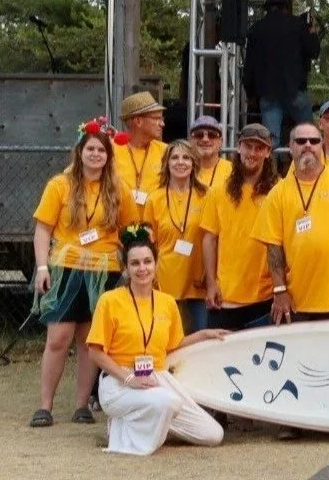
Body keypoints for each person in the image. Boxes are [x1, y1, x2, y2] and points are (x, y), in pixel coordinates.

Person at [29, 121, 137, 428]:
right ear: (80, 151)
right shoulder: (59, 185)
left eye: (101, 150)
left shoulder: (119, 189)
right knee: (58, 338)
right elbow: (43, 229)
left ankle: (81, 406)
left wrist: (131, 267)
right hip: (66, 268)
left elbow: (130, 231)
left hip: (104, 271)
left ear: (109, 154)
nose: (95, 155)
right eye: (90, 148)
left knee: (91, 341)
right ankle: (45, 406)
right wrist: (41, 267)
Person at [87, 226, 228, 455]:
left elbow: (172, 345)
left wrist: (203, 335)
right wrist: (129, 378)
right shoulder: (110, 301)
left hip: (157, 377)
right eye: (135, 263)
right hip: (119, 380)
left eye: (147, 261)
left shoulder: (167, 302)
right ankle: (125, 426)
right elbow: (95, 352)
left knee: (213, 435)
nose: (142, 269)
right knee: (167, 402)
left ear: (155, 264)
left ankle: (138, 423)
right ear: (126, 268)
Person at [254, 122, 329, 327]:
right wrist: (279, 290)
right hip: (298, 303)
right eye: (301, 141)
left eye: (314, 141)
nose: (308, 145)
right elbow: (273, 247)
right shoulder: (278, 193)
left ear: (322, 145)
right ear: (290, 147)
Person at [201, 124, 278, 331]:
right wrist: (210, 284)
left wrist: (281, 289)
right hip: (226, 296)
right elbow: (209, 239)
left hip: (265, 295)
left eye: (259, 148)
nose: (252, 153)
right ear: (238, 147)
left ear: (268, 152)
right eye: (248, 146)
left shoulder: (279, 191)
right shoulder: (218, 192)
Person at [144, 140, 211, 333]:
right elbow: (150, 244)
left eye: (186, 157)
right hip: (164, 281)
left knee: (199, 340)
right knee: (166, 339)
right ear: (166, 163)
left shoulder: (207, 196)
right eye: (174, 157)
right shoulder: (154, 199)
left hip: (198, 282)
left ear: (194, 163)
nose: (180, 162)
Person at [244, 0, 320, 144]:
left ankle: (272, 167)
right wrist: (312, 31)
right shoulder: (298, 25)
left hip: (268, 93)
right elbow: (314, 51)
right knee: (308, 137)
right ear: (286, 7)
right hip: (295, 90)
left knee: (271, 142)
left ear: (267, 8)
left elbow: (249, 65)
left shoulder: (256, 29)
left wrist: (251, 94)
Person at [115, 92, 168, 220]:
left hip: (154, 230)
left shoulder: (167, 151)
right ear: (138, 121)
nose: (162, 124)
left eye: (162, 119)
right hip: (117, 229)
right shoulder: (108, 150)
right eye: (157, 118)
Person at [188, 116, 233, 189]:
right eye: (199, 134)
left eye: (212, 135)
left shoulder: (233, 172)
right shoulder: (181, 169)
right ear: (190, 140)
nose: (205, 139)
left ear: (221, 141)